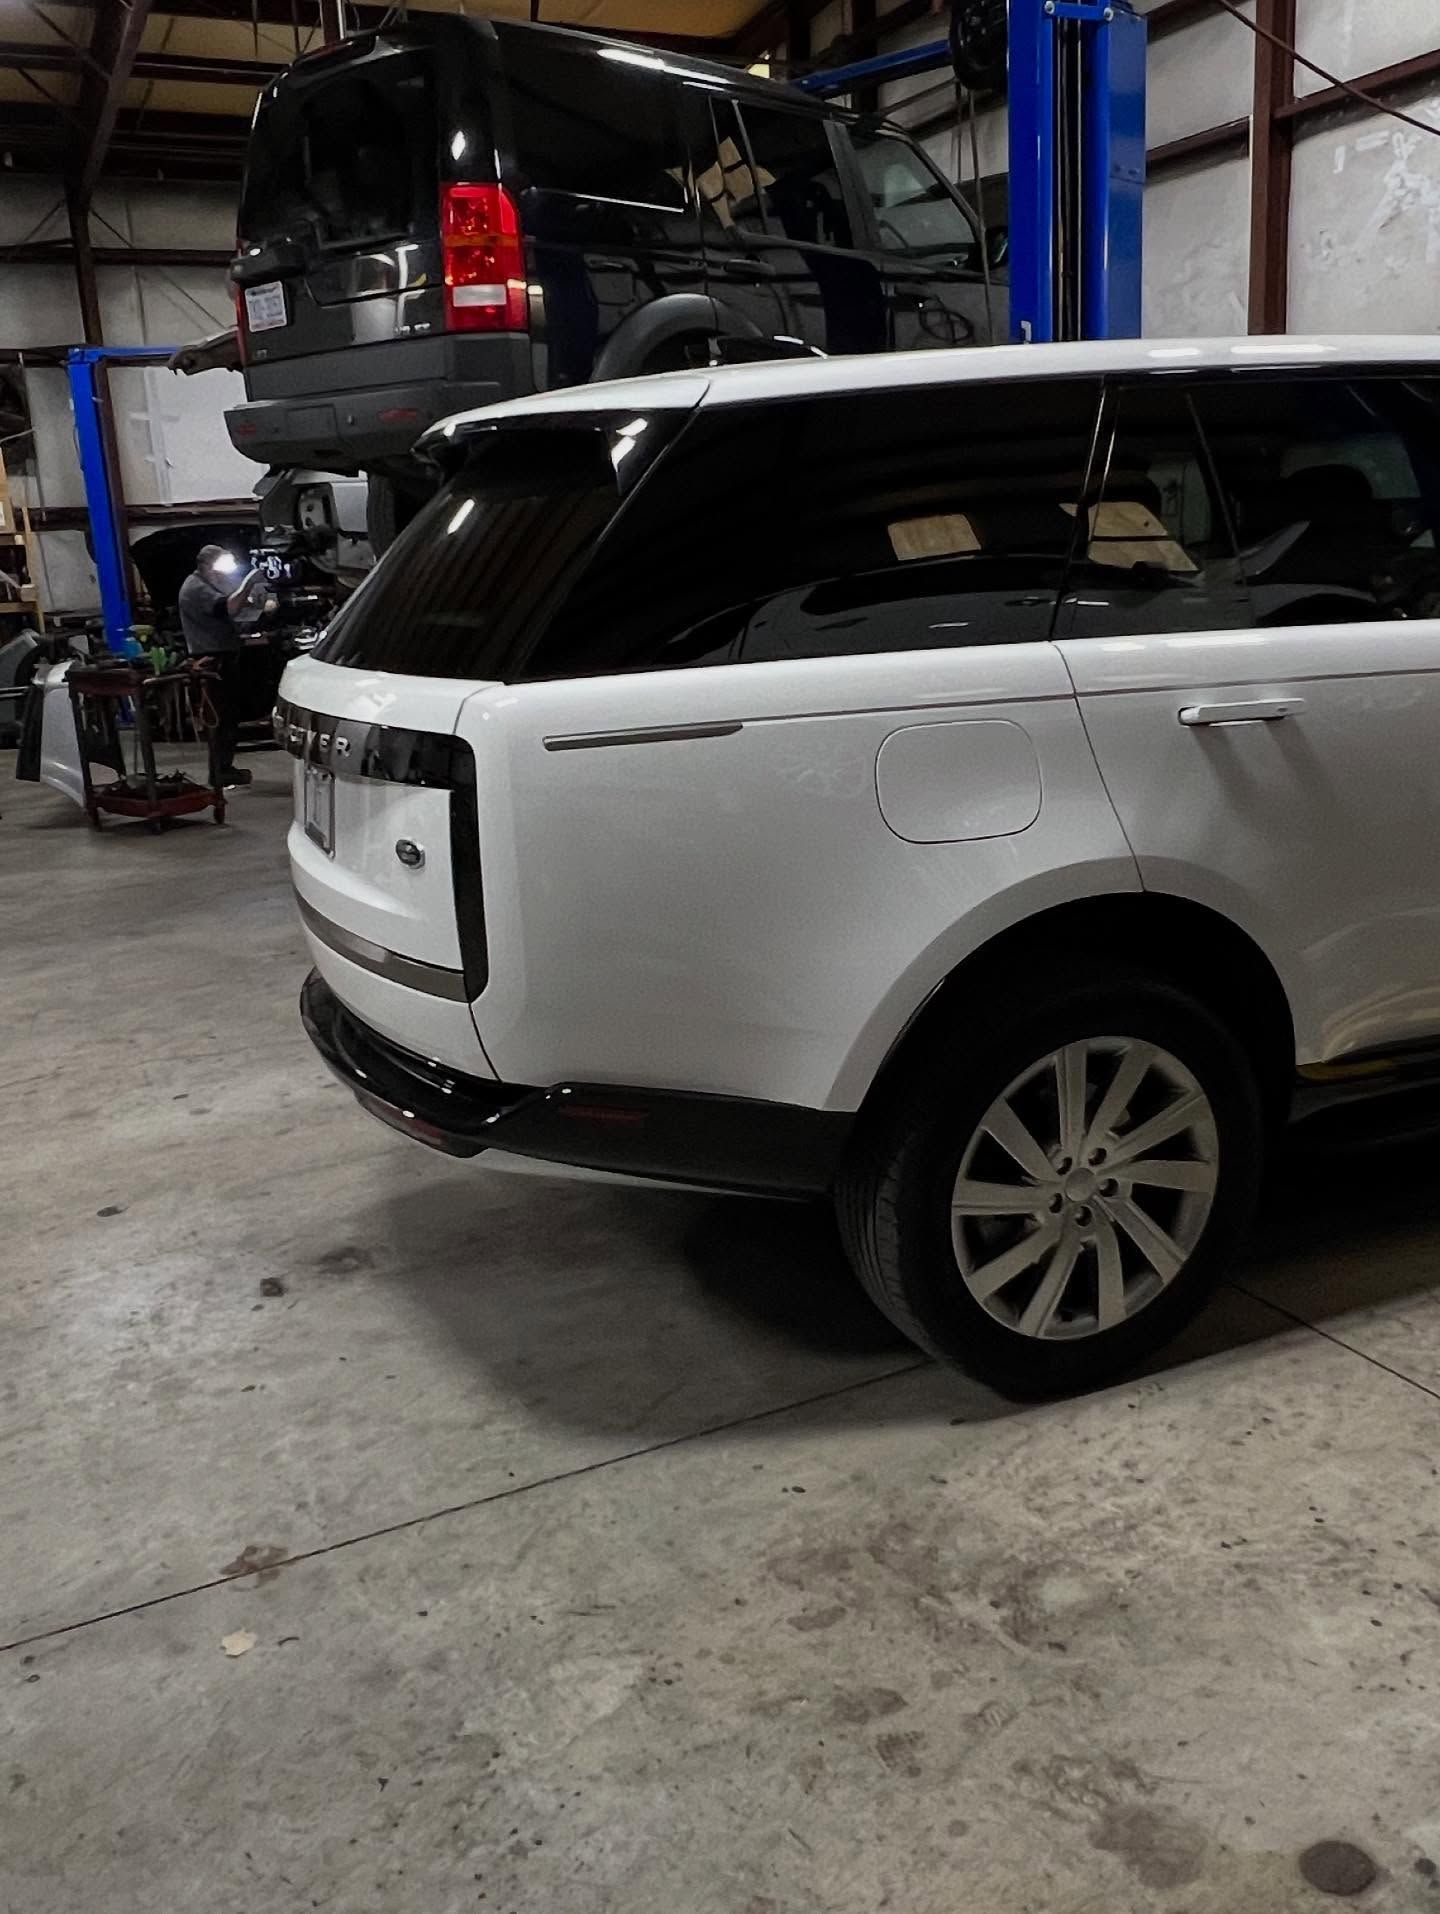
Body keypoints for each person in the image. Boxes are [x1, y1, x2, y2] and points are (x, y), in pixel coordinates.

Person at [177, 544, 262, 787]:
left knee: (228, 717)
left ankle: (224, 768)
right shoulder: (196, 587)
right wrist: (250, 582)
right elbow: (229, 607)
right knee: (220, 718)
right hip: (212, 661)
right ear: (206, 565)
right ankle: (218, 772)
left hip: (222, 655)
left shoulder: (211, 583)